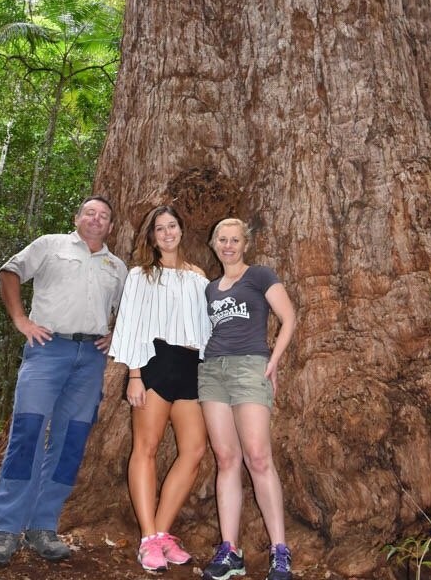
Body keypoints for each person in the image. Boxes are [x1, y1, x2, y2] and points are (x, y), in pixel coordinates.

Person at [0, 196, 127, 568]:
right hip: (47, 350)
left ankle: (43, 526)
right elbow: (9, 272)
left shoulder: (117, 266)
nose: (96, 219)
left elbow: (129, 308)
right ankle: (8, 529)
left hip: (90, 359)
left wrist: (116, 332)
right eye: (90, 213)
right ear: (77, 218)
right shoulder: (50, 245)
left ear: (111, 226)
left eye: (104, 216)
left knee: (71, 440)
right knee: (28, 432)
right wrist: (21, 320)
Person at [109, 205, 211, 573]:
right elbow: (132, 325)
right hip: (154, 362)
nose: (167, 233)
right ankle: (148, 537)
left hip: (190, 366)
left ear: (182, 230)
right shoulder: (140, 275)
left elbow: (205, 329)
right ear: (151, 237)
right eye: (160, 228)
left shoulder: (198, 276)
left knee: (195, 450)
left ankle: (161, 533)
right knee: (147, 448)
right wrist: (135, 375)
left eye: (172, 226)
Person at [199, 218, 296, 580]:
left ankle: (280, 551)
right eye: (222, 239)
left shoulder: (259, 276)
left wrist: (273, 362)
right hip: (212, 372)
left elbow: (288, 318)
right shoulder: (210, 289)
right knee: (226, 459)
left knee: (258, 457)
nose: (228, 245)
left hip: (249, 367)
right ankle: (230, 550)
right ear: (213, 243)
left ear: (245, 244)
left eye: (235, 240)